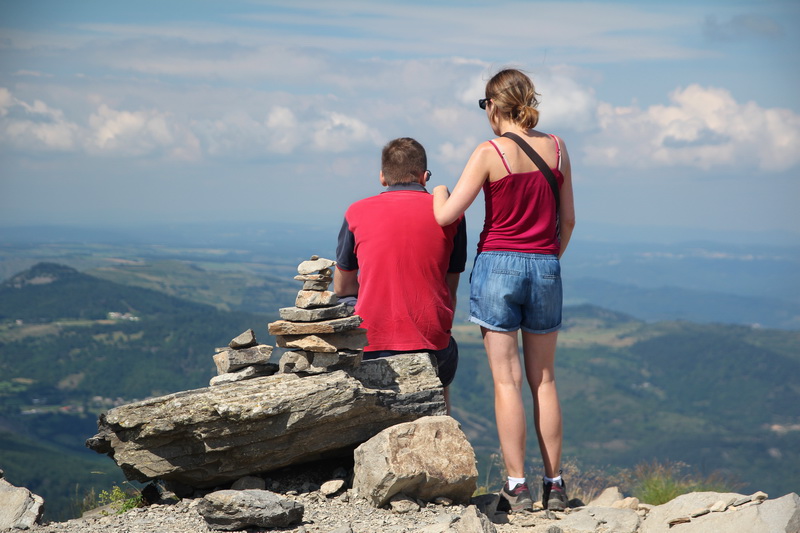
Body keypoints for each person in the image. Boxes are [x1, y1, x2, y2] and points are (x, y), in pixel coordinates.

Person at [431, 68, 576, 512]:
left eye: (484, 105)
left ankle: (517, 486)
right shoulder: (557, 148)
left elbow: (446, 215)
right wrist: (546, 259)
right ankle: (555, 484)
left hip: (497, 266)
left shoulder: (489, 152)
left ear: (493, 105)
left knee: (506, 381)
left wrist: (438, 190)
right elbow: (568, 220)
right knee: (544, 379)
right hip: (546, 264)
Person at [334, 137, 467, 414]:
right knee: (443, 360)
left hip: (370, 342)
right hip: (432, 343)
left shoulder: (356, 212)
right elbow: (449, 290)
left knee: (345, 304)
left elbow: (342, 287)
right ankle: (440, 420)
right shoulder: (452, 214)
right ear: (424, 176)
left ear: (382, 177)